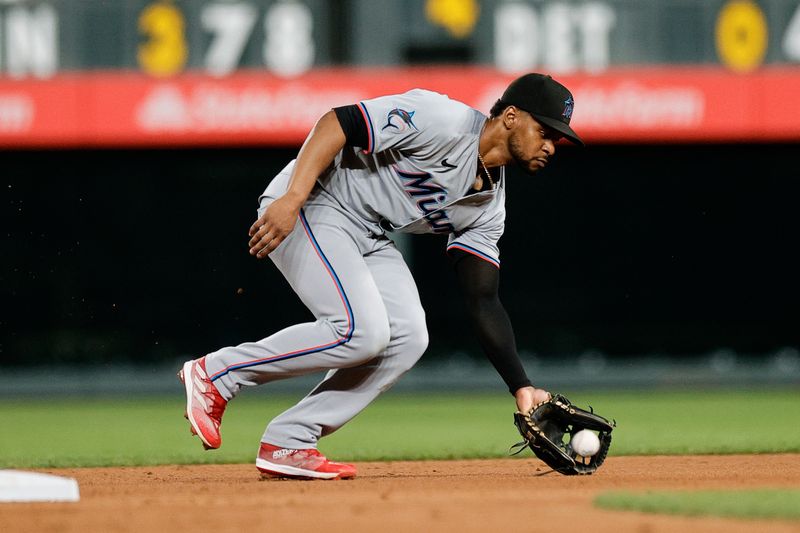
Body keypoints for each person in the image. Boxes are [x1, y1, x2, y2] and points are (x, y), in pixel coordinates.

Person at [179, 73, 584, 480]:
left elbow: (483, 299)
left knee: (409, 336)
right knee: (362, 331)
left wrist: (521, 385)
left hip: (367, 231)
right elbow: (337, 122)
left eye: (557, 139)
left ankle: (290, 439)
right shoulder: (441, 118)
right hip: (315, 201)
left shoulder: (487, 208)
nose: (551, 146)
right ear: (511, 117)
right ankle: (217, 373)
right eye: (545, 131)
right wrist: (294, 197)